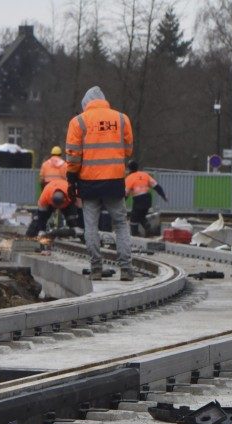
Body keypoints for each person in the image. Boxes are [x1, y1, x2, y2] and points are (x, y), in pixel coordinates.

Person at [65, 86, 134, 281]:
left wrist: (71, 179)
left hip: (89, 182)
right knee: (120, 224)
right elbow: (128, 151)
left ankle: (96, 268)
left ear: (85, 104)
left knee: (91, 227)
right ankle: (126, 269)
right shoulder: (121, 119)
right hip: (114, 181)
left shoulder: (78, 121)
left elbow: (73, 155)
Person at [124, 160, 168, 237]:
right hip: (147, 199)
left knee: (134, 219)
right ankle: (150, 231)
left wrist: (122, 204)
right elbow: (157, 186)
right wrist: (163, 196)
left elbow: (126, 193)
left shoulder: (129, 178)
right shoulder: (145, 175)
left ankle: (135, 236)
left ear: (129, 169)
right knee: (141, 217)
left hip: (138, 199)